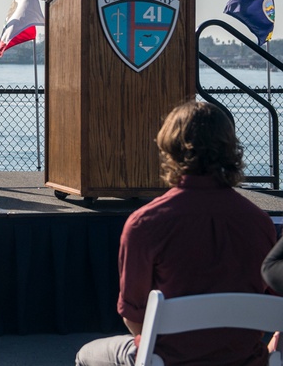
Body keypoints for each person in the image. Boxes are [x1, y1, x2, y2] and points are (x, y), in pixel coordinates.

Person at [75, 101, 275, 366]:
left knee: (86, 355)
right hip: (244, 360)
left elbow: (134, 316)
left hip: (167, 359)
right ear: (230, 150)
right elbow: (274, 306)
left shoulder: (145, 223)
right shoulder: (261, 223)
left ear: (169, 149)